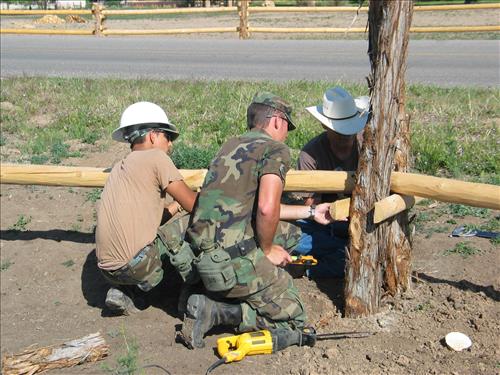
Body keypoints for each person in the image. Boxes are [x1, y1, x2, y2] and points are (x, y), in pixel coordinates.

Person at [180, 92, 334, 349]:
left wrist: (311, 212)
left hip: (202, 256)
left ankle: (198, 292)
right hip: (231, 262)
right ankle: (218, 311)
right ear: (277, 121)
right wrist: (267, 250)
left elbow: (252, 208)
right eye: (287, 127)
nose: (287, 134)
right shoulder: (275, 149)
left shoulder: (229, 145)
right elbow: (265, 208)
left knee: (293, 234)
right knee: (294, 321)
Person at [95, 101, 198, 315]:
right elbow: (196, 205)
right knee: (195, 221)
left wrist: (175, 206)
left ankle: (124, 291)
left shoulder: (119, 167)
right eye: (167, 137)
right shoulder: (156, 157)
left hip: (108, 272)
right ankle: (193, 290)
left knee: (158, 233)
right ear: (153, 136)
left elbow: (147, 220)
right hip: (138, 266)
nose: (170, 145)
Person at [294, 86, 370, 278]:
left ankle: (318, 263)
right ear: (325, 126)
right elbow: (311, 204)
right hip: (327, 222)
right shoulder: (310, 154)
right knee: (296, 235)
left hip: (365, 217)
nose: (345, 136)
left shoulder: (368, 146)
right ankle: (335, 257)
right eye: (339, 132)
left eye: (349, 131)